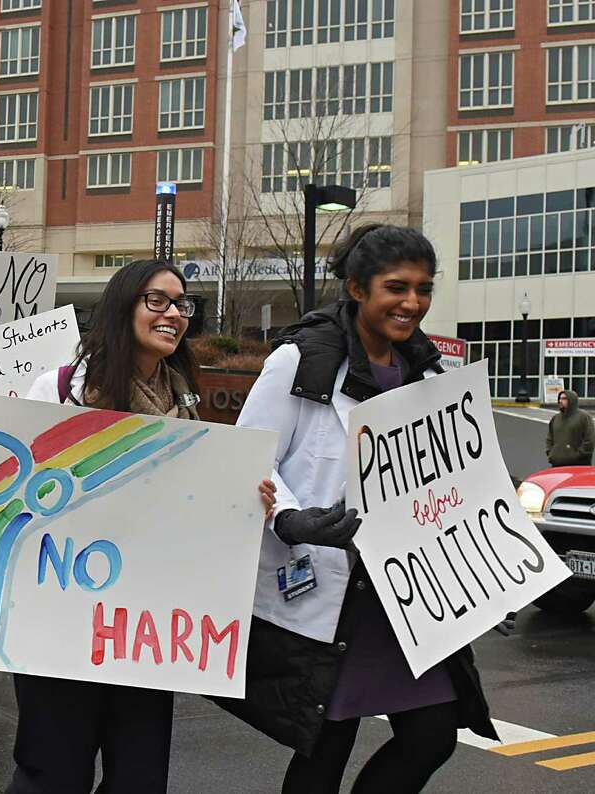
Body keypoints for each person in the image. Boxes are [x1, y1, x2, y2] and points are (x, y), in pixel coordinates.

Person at [223, 225, 497, 793]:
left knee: (433, 732)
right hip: (334, 593)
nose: (412, 303)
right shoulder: (299, 361)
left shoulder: (429, 373)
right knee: (327, 742)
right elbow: (247, 457)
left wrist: (489, 556)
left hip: (409, 594)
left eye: (423, 289)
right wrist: (290, 516)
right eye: (396, 287)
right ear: (356, 289)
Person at [7, 260, 275, 793]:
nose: (173, 314)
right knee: (53, 775)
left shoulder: (186, 404)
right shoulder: (60, 390)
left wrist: (248, 502)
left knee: (139, 778)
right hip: (61, 623)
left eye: (181, 304)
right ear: (122, 306)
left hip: (144, 635)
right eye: (157, 301)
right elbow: (11, 488)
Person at [547, 389, 594, 467]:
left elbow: (589, 440)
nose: (560, 401)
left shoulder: (583, 417)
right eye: (560, 398)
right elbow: (549, 438)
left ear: (572, 400)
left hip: (578, 465)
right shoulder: (555, 418)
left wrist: (578, 455)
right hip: (557, 464)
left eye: (564, 399)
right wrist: (551, 454)